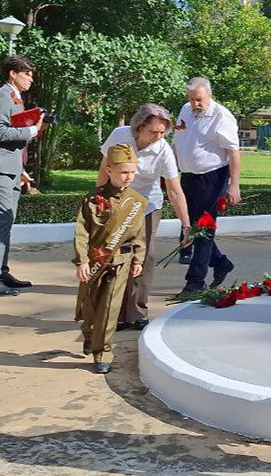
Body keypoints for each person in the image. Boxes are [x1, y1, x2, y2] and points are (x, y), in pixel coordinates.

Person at [98, 104, 190, 332]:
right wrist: (101, 202)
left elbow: (175, 190)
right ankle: (115, 314)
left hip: (147, 205)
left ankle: (137, 313)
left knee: (144, 257)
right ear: (139, 127)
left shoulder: (163, 149)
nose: (158, 137)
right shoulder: (120, 136)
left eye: (162, 133)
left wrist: (186, 224)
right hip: (116, 203)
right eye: (153, 132)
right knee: (115, 256)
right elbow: (103, 170)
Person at [73, 144, 148, 374]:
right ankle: (89, 333)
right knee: (90, 304)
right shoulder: (92, 199)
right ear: (108, 170)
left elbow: (139, 235)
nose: (129, 177)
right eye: (124, 172)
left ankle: (102, 352)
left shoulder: (136, 202)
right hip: (95, 260)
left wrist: (138, 259)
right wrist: (82, 260)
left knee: (109, 308)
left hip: (121, 261)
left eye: (133, 172)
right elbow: (82, 231)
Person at [0, 56, 44, 296]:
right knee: (2, 220)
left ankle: (0, 272)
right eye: (27, 74)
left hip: (9, 167)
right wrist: (33, 130)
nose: (31, 79)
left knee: (6, 220)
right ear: (13, 74)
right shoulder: (2, 95)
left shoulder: (14, 97)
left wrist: (20, 167)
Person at [173, 77, 242, 294]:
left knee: (204, 228)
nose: (195, 104)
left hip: (212, 177)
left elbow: (233, 152)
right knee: (193, 227)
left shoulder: (222, 116)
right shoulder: (185, 110)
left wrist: (234, 185)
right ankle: (220, 262)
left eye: (199, 99)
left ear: (209, 95)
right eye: (192, 99)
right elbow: (178, 142)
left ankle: (195, 282)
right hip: (188, 176)